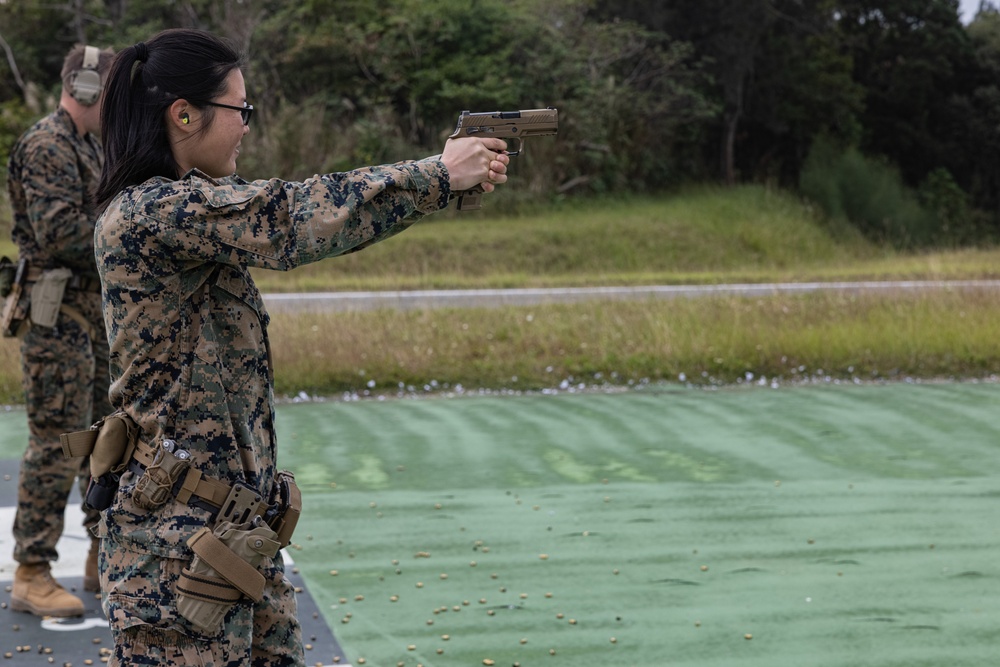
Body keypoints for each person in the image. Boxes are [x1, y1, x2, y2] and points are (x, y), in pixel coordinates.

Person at [89, 28, 508, 665]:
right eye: (241, 111)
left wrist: (439, 184)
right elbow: (289, 218)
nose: (248, 128)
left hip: (231, 538)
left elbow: (295, 221)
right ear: (184, 114)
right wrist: (436, 175)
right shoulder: (154, 212)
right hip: (173, 555)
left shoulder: (190, 216)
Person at [5, 43, 115, 617]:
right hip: (58, 317)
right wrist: (126, 234)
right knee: (56, 442)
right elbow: (61, 233)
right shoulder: (48, 145)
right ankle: (31, 571)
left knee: (102, 439)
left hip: (90, 316)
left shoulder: (89, 145)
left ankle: (104, 554)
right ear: (89, 88)